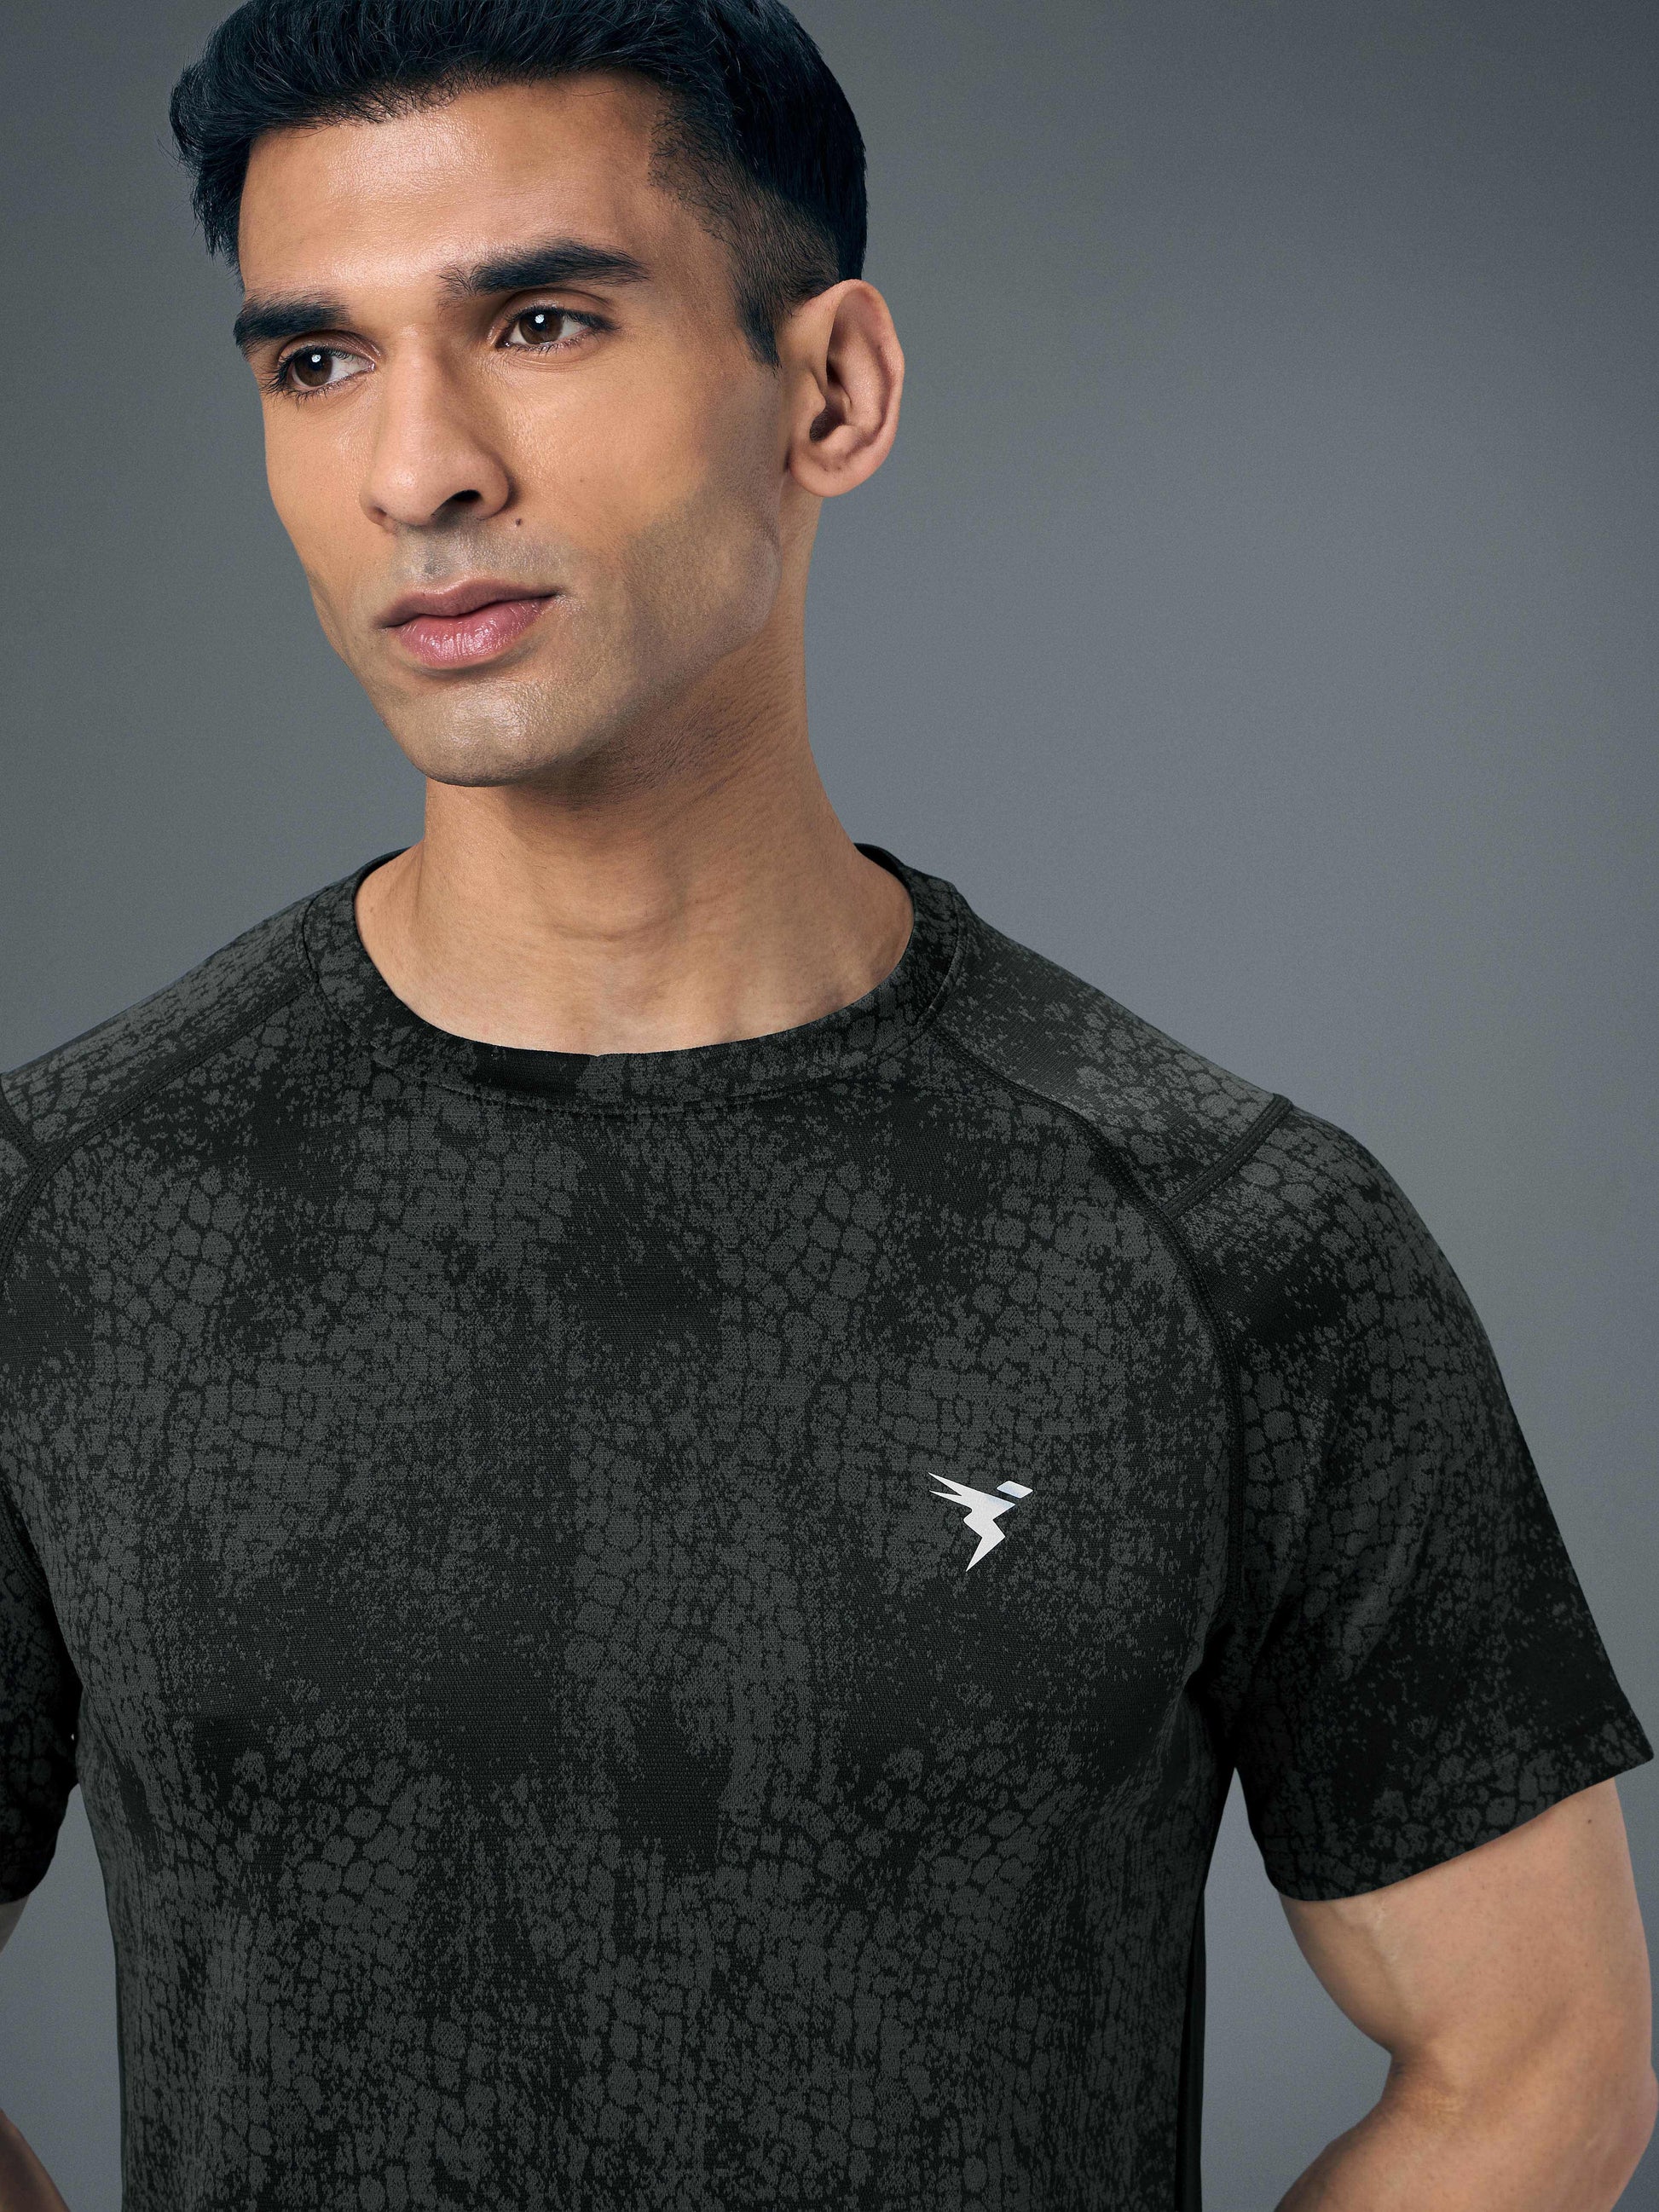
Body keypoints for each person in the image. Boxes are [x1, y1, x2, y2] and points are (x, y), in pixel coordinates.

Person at [0, 1, 1651, 2205]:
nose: (416, 471)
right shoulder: (66, 1220)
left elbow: (1538, 2054)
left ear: (832, 389)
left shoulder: (1233, 1241)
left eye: (542, 322)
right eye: (315, 361)